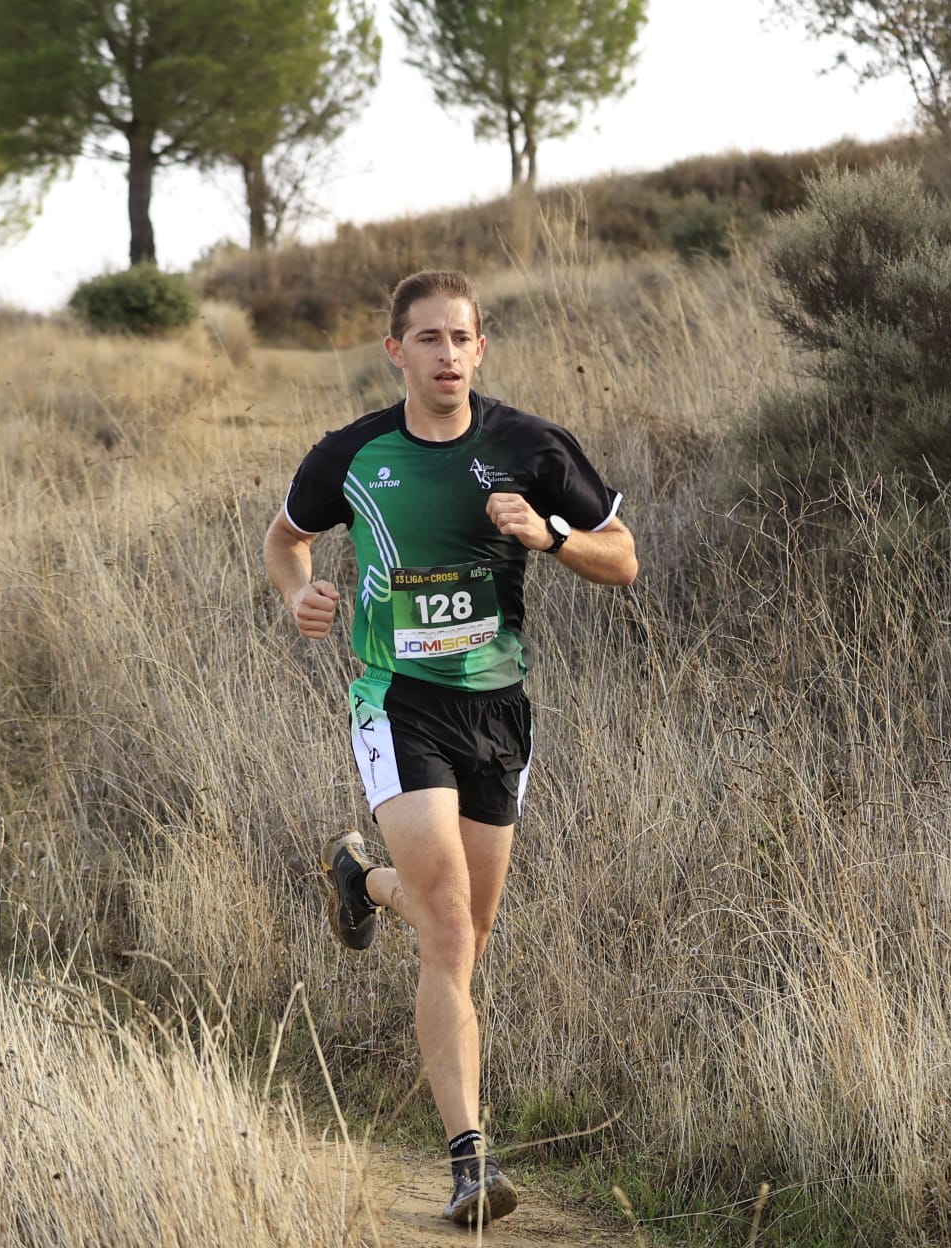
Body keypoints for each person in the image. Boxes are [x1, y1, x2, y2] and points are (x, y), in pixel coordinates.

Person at [261, 269, 638, 1226]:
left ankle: (361, 879)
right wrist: (299, 594)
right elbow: (285, 538)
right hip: (399, 702)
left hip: (499, 710)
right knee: (450, 929)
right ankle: (470, 1161)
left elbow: (623, 557)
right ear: (396, 351)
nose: (446, 354)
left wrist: (550, 536)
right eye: (426, 338)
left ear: (480, 348)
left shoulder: (531, 447)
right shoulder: (353, 454)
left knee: (465, 931)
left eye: (460, 337)